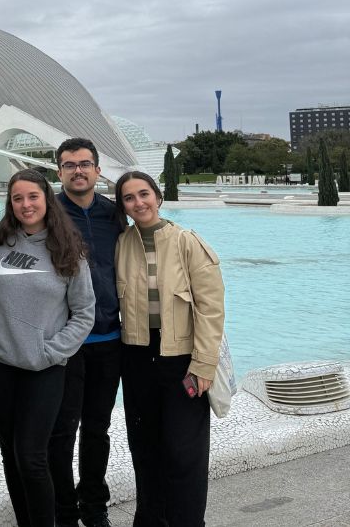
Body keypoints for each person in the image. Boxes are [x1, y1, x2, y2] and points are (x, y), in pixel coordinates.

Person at [0, 169, 94, 527]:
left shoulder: (68, 250)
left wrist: (51, 351)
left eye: (33, 196)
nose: (26, 204)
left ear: (46, 199)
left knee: (32, 457)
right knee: (10, 456)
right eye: (18, 198)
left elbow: (83, 313)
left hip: (45, 367)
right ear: (10, 203)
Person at [114, 171, 223, 527]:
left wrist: (203, 365)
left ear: (158, 197)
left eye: (143, 194)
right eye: (129, 198)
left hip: (181, 360)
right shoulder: (121, 244)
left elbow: (210, 308)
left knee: (184, 453)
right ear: (123, 206)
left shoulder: (187, 242)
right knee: (144, 449)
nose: (138, 203)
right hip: (137, 358)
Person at [50, 138, 126, 527]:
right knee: (61, 431)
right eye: (69, 165)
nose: (77, 171)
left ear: (97, 170)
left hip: (110, 340)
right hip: (65, 344)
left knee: (97, 428)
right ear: (58, 171)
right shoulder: (46, 212)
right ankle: (63, 511)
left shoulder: (114, 215)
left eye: (85, 164)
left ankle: (94, 506)